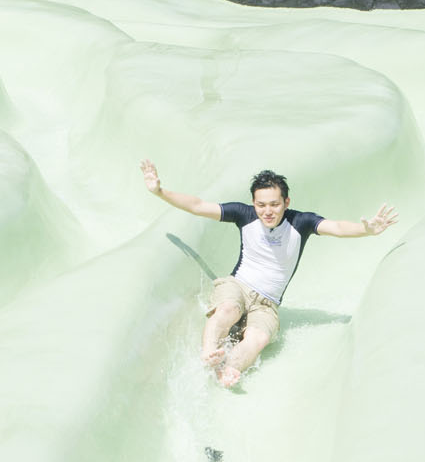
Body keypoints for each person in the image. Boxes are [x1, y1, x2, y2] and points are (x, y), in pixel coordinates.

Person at [142, 160, 396, 387]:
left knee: (259, 337)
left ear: (286, 202)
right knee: (229, 309)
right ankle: (209, 351)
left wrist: (368, 230)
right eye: (261, 205)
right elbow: (198, 206)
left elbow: (338, 227)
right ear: (254, 203)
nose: (268, 211)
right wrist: (159, 192)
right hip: (238, 286)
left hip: (268, 304)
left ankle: (230, 366)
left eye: (275, 204)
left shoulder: (301, 222)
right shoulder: (244, 215)